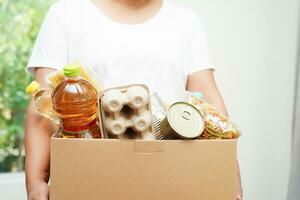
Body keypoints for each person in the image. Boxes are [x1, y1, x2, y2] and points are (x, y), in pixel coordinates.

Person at [25, 0, 243, 199]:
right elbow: (43, 106)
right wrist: (36, 180)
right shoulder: (66, 15)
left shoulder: (185, 21)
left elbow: (209, 102)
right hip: (93, 175)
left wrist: (230, 178)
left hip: (172, 176)